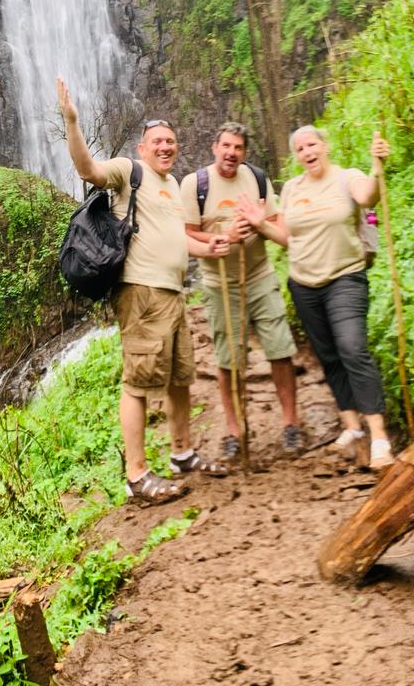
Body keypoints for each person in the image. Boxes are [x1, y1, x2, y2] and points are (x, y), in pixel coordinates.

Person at [57, 77, 231, 504]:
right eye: (157, 141)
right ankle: (136, 475)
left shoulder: (172, 186)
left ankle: (182, 453)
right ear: (143, 148)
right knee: (137, 382)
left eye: (170, 141)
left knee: (179, 378)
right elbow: (87, 170)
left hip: (172, 292)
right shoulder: (128, 172)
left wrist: (210, 246)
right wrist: (72, 122)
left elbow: (178, 239)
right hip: (141, 292)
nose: (165, 147)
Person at [237, 126, 394, 470]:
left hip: (345, 277)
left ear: (325, 146)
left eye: (312, 145)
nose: (307, 152)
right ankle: (351, 426)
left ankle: (379, 435)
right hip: (304, 284)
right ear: (296, 156)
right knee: (328, 355)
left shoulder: (347, 178)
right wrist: (261, 224)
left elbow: (368, 197)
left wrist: (376, 164)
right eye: (300, 148)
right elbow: (288, 237)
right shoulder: (292, 188)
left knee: (353, 348)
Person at [181, 123, 301, 460]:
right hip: (220, 283)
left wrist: (258, 224)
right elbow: (186, 232)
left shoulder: (257, 179)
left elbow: (277, 225)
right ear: (214, 147)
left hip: (260, 276)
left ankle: (291, 424)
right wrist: (224, 237)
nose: (231, 153)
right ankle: (234, 431)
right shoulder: (195, 185)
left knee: (280, 349)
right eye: (226, 146)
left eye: (238, 148)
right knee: (228, 359)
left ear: (245, 152)